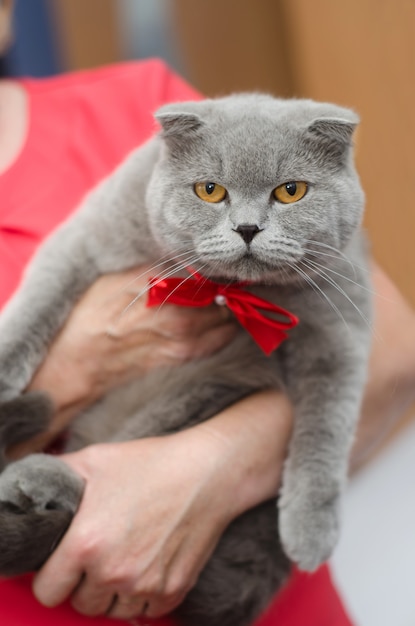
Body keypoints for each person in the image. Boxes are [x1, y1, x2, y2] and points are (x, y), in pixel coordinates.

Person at [1, 3, 415, 625]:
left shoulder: (144, 98)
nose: (246, 224)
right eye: (212, 193)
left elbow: (391, 348)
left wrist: (211, 469)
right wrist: (71, 367)